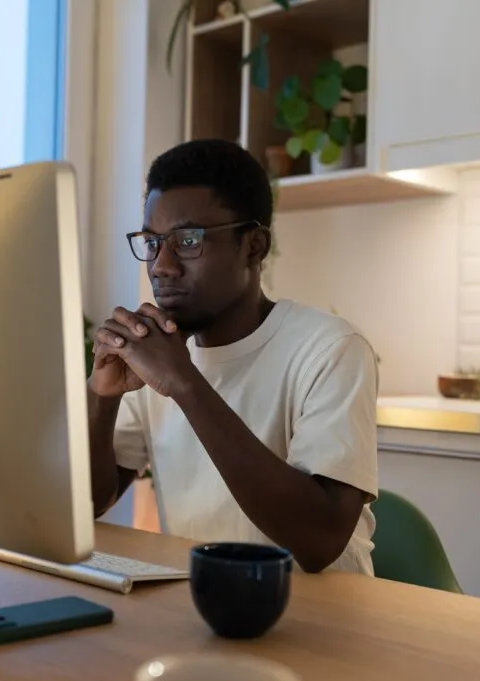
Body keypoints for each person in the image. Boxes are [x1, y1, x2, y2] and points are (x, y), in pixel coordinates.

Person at [87, 139, 379, 574]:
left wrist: (184, 384)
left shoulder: (330, 349)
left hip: (324, 617)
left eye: (187, 241)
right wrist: (102, 395)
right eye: (152, 242)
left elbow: (319, 541)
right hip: (202, 603)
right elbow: (90, 501)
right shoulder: (157, 355)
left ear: (254, 247)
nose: (161, 265)